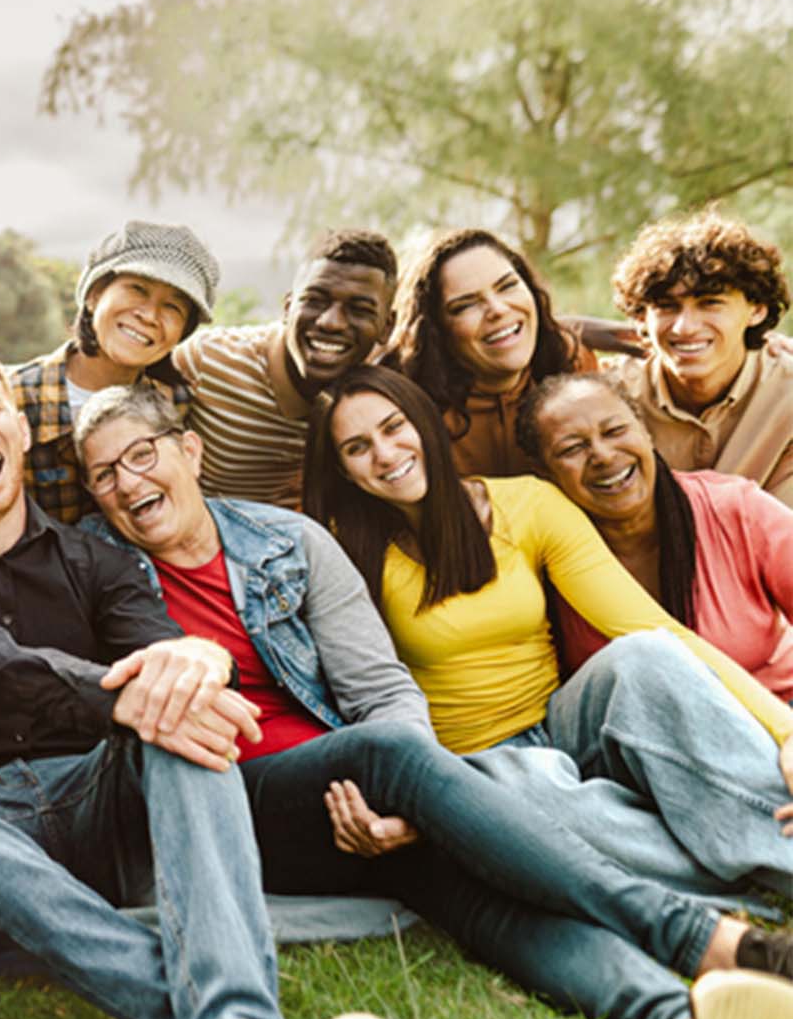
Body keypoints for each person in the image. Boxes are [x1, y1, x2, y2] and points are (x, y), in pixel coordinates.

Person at [74, 380, 793, 1019]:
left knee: (486, 905)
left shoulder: (289, 542)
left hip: (353, 796)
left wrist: (404, 808)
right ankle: (708, 941)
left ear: (190, 452)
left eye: (142, 454)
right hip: (234, 798)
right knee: (384, 753)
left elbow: (381, 691)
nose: (129, 482)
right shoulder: (94, 571)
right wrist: (398, 769)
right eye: (104, 474)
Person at [0, 330, 405, 1019]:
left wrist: (194, 669)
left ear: (20, 431)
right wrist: (117, 695)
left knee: (185, 721)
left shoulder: (99, 562)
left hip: (99, 805)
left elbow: (166, 657)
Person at [302, 364, 793, 895]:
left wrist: (786, 732)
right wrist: (421, 800)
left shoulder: (528, 504)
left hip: (564, 724)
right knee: (542, 797)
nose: (385, 454)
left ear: (423, 421)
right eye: (357, 447)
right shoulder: (339, 551)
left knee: (644, 655)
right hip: (473, 764)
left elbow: (651, 625)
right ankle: (722, 883)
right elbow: (352, 694)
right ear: (344, 471)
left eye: (394, 427)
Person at [519, 372, 793, 700]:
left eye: (615, 431)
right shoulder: (537, 558)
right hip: (637, 739)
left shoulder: (734, 508)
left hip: (777, 715)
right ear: (544, 472)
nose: (603, 455)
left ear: (646, 432)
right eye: (572, 448)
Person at [174, 229, 396, 509]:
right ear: (288, 307)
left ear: (387, 326)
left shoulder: (386, 397)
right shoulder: (209, 360)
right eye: (315, 300)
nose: (332, 322)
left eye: (359, 309)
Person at [12, 220, 214, 524]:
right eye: (137, 289)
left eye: (173, 307)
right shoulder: (15, 398)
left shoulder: (177, 404)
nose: (149, 315)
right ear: (93, 296)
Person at [607, 211, 793, 507]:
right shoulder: (611, 397)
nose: (685, 328)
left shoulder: (786, 395)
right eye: (667, 306)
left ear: (756, 310)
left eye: (710, 304)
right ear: (642, 316)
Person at [386, 228, 597, 478]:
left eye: (507, 285)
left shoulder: (572, 362)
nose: (497, 309)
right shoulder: (405, 411)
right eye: (465, 305)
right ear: (435, 329)